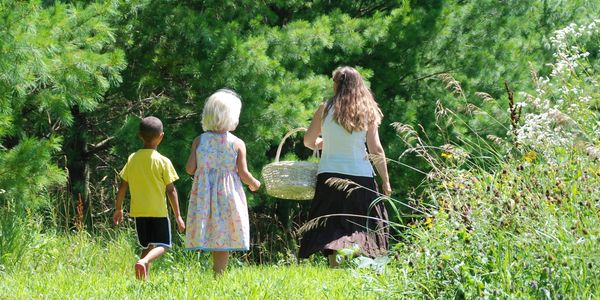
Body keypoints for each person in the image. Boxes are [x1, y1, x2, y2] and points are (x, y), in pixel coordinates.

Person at [299, 66, 391, 267]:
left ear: (336, 84)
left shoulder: (325, 108)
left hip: (329, 177)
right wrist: (385, 180)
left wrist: (324, 143)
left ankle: (335, 266)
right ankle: (357, 264)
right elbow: (376, 148)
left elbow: (308, 141)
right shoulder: (367, 110)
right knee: (360, 224)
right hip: (360, 177)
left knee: (331, 223)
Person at [185, 89, 261, 276]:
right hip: (227, 194)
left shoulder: (199, 141)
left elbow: (189, 169)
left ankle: (214, 273)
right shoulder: (236, 143)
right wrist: (254, 183)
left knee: (208, 229)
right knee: (223, 233)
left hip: (204, 194)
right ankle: (218, 273)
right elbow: (243, 172)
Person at [113, 116, 186, 280]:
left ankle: (142, 279)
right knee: (164, 245)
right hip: (158, 212)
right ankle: (144, 261)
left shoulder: (133, 159)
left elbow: (123, 185)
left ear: (140, 135)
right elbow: (171, 190)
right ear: (161, 137)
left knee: (148, 244)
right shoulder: (163, 161)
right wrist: (178, 216)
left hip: (139, 212)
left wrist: (118, 208)